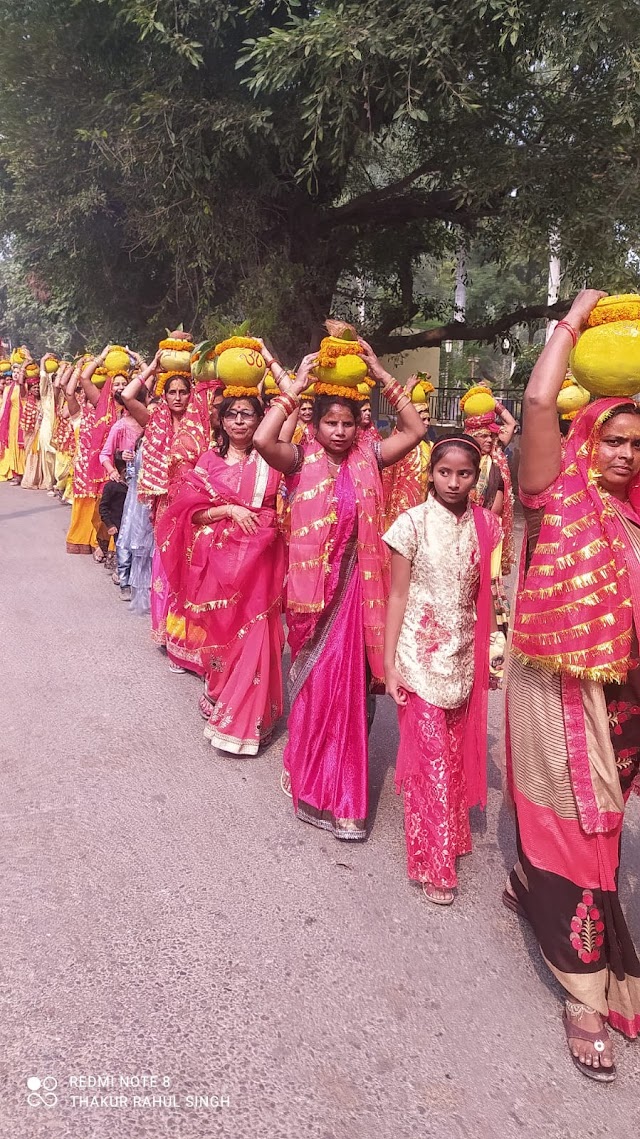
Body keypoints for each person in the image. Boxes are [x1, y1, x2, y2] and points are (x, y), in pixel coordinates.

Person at [504, 289, 640, 1082]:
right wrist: (575, 318)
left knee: (603, 832)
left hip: (622, 701)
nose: (625, 454)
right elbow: (536, 397)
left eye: (637, 442)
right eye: (613, 440)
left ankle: (531, 884)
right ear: (587, 443)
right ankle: (584, 991)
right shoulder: (556, 497)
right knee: (583, 834)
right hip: (558, 692)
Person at [253, 339, 425, 839]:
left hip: (358, 594)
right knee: (316, 690)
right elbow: (264, 442)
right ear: (316, 424)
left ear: (360, 425)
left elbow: (416, 429)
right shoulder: (300, 456)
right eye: (331, 423)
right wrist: (297, 386)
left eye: (348, 423)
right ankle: (312, 783)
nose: (340, 431)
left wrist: (380, 372)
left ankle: (346, 799)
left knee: (351, 694)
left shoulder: (372, 453)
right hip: (312, 598)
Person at [383, 433, 506, 904]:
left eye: (465, 474)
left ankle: (448, 835)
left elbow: (489, 594)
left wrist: (493, 649)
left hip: (464, 658)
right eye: (445, 472)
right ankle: (434, 864)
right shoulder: (410, 524)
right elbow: (397, 596)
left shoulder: (486, 526)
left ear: (477, 477)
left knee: (451, 756)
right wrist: (390, 664)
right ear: (429, 474)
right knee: (431, 757)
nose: (454, 482)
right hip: (418, 655)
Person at [158, 394, 286, 754]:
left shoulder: (272, 461)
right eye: (233, 414)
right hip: (218, 560)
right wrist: (228, 510)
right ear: (222, 421)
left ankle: (246, 719)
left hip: (261, 560)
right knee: (221, 632)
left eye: (249, 415)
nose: (240, 422)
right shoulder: (207, 461)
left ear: (262, 419)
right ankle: (217, 689)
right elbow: (188, 515)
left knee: (256, 631)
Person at [121, 361, 193, 660]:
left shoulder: (199, 423)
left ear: (191, 394)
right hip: (165, 505)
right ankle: (165, 631)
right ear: (163, 395)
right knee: (164, 568)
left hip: (193, 505)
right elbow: (127, 396)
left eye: (183, 392)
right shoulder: (154, 420)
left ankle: (187, 633)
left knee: (189, 570)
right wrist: (152, 366)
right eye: (171, 392)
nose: (177, 397)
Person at [464, 396, 517, 575]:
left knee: (490, 576)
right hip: (471, 525)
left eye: (491, 435)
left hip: (494, 526)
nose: (489, 440)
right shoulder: (464, 459)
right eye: (484, 436)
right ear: (473, 436)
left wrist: (494, 404)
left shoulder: (496, 453)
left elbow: (510, 423)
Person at [382, 374, 433, 528]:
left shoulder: (431, 446)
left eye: (428, 419)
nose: (426, 423)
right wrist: (408, 390)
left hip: (424, 512)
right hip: (401, 512)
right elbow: (402, 419)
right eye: (421, 419)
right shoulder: (401, 442)